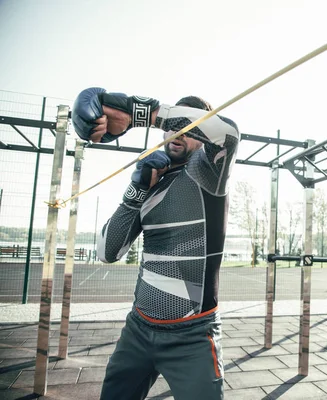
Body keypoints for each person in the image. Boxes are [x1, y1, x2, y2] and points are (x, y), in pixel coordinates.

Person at [72, 87, 239, 400]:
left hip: (192, 336)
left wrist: (137, 112)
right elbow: (107, 252)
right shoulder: (150, 181)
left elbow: (227, 133)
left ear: (201, 136)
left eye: (186, 128)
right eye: (171, 126)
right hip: (137, 330)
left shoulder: (208, 173)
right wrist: (135, 191)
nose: (175, 132)